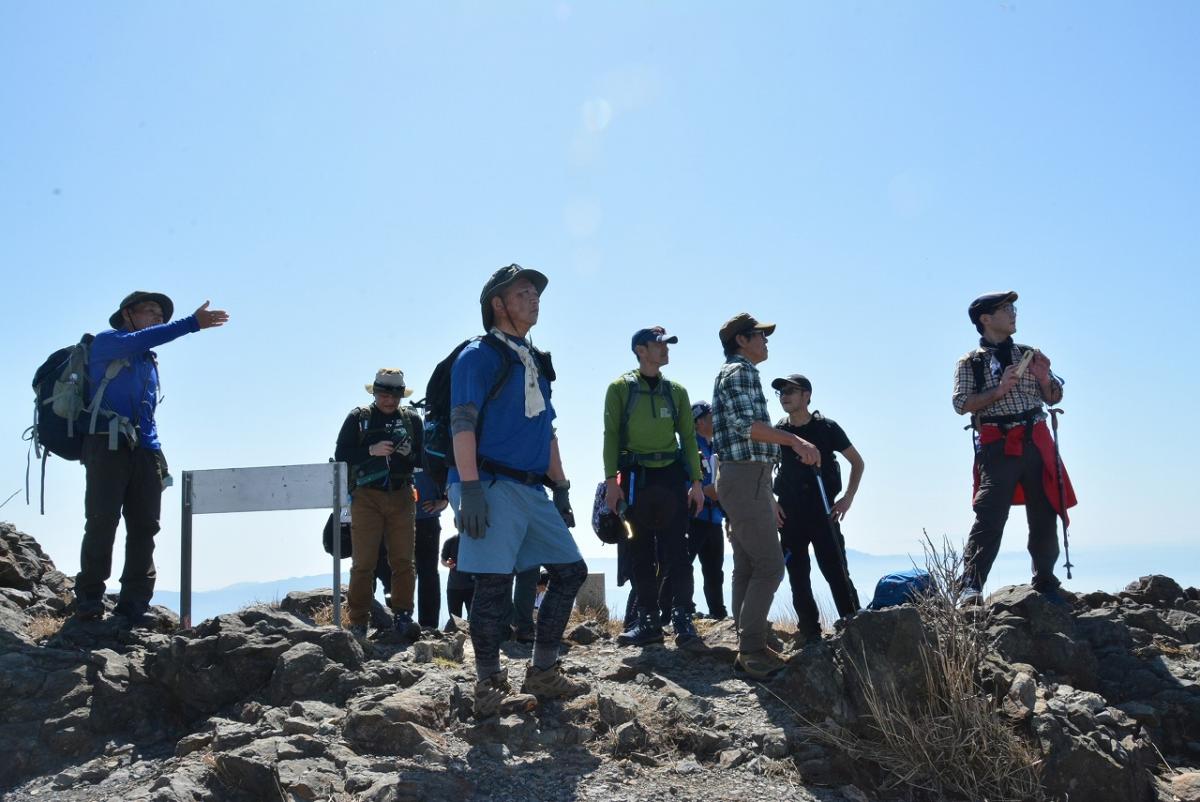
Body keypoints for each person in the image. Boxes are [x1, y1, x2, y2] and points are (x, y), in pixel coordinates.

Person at [449, 264, 589, 717]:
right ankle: (488, 685)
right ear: (498, 303)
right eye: (524, 292)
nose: (535, 299)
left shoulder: (534, 360)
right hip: (489, 482)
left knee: (570, 571)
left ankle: (542, 671)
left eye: (536, 293)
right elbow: (462, 423)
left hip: (531, 488)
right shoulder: (478, 355)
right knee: (492, 584)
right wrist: (469, 488)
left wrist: (562, 487)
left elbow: (546, 430)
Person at [74, 291, 229, 623]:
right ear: (128, 314)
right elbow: (148, 337)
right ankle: (89, 599)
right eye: (151, 311)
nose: (159, 317)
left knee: (145, 526)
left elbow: (148, 414)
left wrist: (157, 454)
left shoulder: (148, 361)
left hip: (144, 451)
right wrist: (191, 324)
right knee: (103, 521)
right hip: (106, 444)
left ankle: (134, 603)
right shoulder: (108, 342)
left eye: (162, 313)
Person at [711, 313, 819, 680]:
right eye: (761, 335)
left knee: (747, 565)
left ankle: (748, 641)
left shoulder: (738, 373)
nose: (766, 342)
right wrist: (794, 439)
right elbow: (747, 428)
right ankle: (752, 648)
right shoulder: (739, 373)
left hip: (744, 478)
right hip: (745, 478)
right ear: (742, 340)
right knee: (770, 565)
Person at [953, 291, 1074, 605]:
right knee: (990, 515)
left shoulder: (1028, 355)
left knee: (1045, 510)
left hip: (1035, 438)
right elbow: (961, 403)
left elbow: (1053, 397)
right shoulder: (971, 362)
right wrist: (999, 390)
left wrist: (1045, 378)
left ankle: (1045, 580)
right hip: (998, 444)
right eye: (1005, 309)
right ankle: (970, 586)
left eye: (1012, 307)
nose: (1013, 313)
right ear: (986, 319)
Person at [603, 326, 706, 649]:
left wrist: (697, 483)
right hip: (636, 478)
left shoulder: (676, 391)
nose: (666, 350)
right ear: (640, 350)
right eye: (660, 344)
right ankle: (647, 621)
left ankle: (682, 618)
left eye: (667, 345)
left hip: (671, 478)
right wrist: (610, 482)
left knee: (679, 551)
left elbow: (688, 439)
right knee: (640, 551)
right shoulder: (620, 388)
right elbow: (611, 436)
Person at [771, 374, 863, 645]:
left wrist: (848, 497)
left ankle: (855, 626)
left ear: (807, 395)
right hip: (789, 514)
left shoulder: (827, 428)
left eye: (791, 390)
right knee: (798, 575)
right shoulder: (779, 431)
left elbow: (857, 462)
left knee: (836, 571)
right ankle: (809, 633)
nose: (785, 395)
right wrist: (771, 501)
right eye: (781, 392)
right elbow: (764, 467)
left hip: (824, 512)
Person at [334, 369, 424, 638]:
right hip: (366, 496)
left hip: (402, 494)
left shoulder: (410, 420)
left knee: (404, 561)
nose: (389, 400)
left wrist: (409, 455)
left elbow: (422, 460)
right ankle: (358, 621)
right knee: (363, 562)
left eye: (395, 395)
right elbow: (341, 454)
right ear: (374, 393)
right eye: (384, 394)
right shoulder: (358, 418)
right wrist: (370, 452)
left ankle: (403, 616)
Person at [413, 467, 448, 628]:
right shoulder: (388, 442)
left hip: (426, 519)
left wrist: (445, 499)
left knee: (427, 574)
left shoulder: (428, 445)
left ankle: (428, 626)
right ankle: (397, 620)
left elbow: (447, 468)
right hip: (394, 518)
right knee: (395, 572)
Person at [441, 533, 475, 619]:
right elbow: (443, 560)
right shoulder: (450, 541)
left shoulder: (474, 540)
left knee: (473, 618)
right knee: (454, 619)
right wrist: (448, 564)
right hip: (454, 587)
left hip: (472, 587)